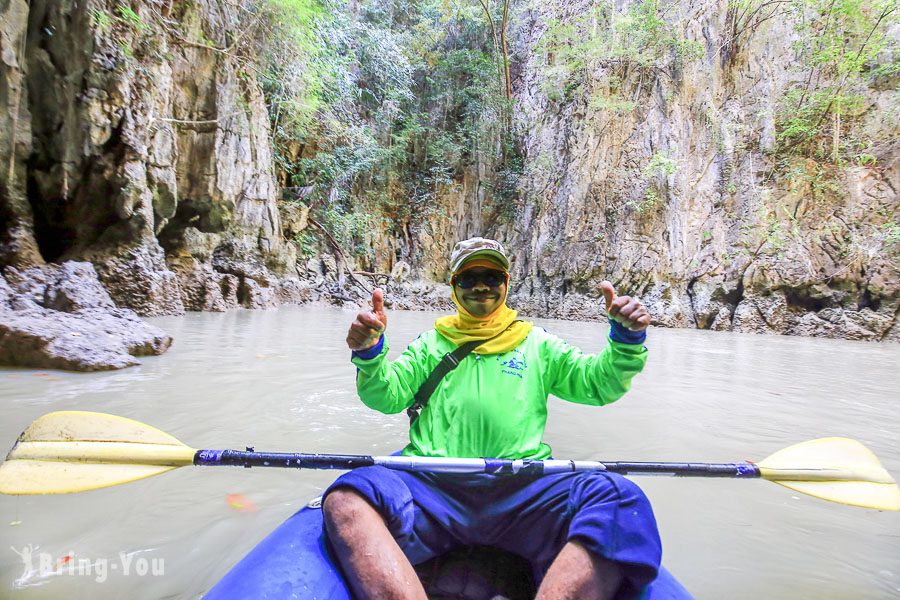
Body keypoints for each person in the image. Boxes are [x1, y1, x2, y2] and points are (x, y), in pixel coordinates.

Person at [324, 237, 658, 600]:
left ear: (506, 283)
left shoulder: (538, 344)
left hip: (522, 490)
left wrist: (626, 340)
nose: (481, 285)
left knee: (620, 499)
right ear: (454, 286)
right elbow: (385, 396)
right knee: (345, 500)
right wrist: (370, 354)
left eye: (492, 276)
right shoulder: (430, 344)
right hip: (432, 488)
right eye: (469, 278)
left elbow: (599, 384)